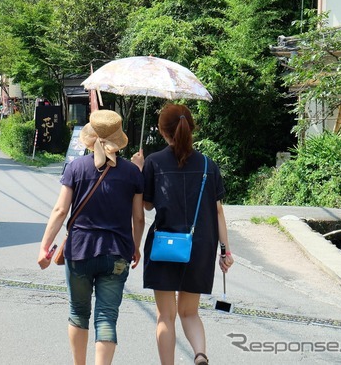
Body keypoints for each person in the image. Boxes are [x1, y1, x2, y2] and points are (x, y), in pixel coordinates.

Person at [37, 110, 145, 365]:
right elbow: (138, 218)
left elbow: (61, 210)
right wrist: (136, 247)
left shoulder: (76, 167)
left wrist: (45, 246)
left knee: (78, 312)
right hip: (118, 252)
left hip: (79, 250)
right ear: (118, 138)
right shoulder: (132, 173)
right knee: (107, 316)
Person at [137, 104, 234, 365]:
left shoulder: (154, 163)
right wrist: (225, 250)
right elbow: (218, 212)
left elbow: (146, 206)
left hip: (165, 245)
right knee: (189, 313)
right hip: (200, 247)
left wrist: (139, 169)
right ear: (191, 127)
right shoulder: (207, 165)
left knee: (165, 316)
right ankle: (200, 355)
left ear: (161, 130)